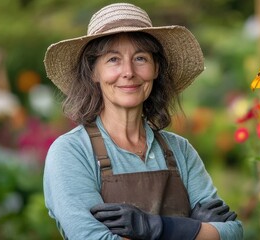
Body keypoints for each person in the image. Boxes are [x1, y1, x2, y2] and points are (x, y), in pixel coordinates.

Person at [43, 3, 243, 240]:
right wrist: (189, 228)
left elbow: (233, 232)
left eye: (140, 58)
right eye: (113, 60)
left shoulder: (180, 151)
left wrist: (157, 226)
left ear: (156, 68)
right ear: (93, 72)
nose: (128, 72)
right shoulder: (71, 152)